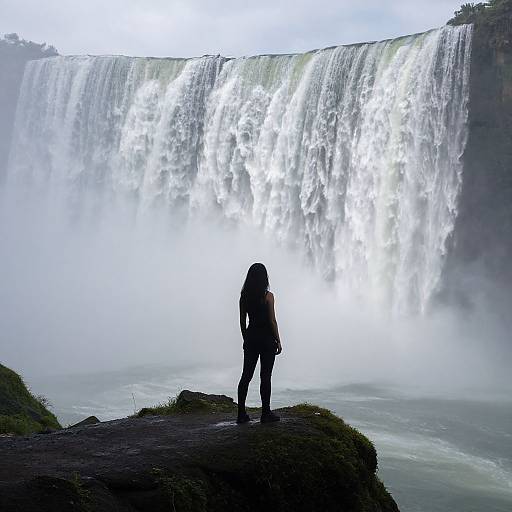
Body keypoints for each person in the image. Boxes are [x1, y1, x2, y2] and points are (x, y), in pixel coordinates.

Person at [237, 262, 282, 424]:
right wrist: (278, 340)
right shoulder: (268, 296)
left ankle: (241, 413)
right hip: (267, 340)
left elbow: (242, 321)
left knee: (246, 376)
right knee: (266, 376)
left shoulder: (244, 296)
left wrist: (246, 338)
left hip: (251, 338)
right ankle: (265, 413)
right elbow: (272, 320)